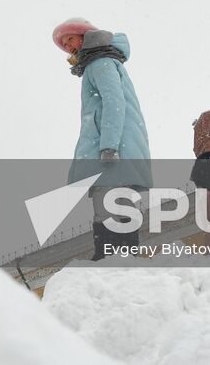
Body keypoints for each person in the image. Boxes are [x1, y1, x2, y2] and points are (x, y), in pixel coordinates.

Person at [52, 18, 152, 261]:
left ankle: (112, 259)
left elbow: (114, 103)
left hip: (112, 148)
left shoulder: (99, 63)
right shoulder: (102, 62)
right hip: (118, 146)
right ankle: (116, 257)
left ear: (84, 36)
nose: (68, 47)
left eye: (70, 39)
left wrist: (108, 146)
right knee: (117, 204)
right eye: (64, 44)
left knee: (110, 205)